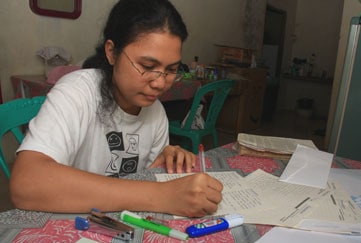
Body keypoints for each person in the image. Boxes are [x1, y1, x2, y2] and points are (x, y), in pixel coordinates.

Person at [10, 0, 223, 217]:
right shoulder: (77, 91)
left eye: (171, 69)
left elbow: (140, 183)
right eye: (147, 67)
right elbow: (27, 183)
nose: (160, 83)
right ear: (112, 52)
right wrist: (161, 194)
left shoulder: (155, 111)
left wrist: (160, 165)